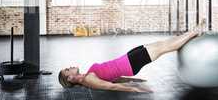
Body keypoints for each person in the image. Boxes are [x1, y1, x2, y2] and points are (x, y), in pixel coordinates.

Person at [58, 23, 205, 92]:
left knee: (163, 44)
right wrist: (136, 89)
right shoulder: (88, 80)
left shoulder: (87, 75)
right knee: (165, 47)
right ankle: (194, 32)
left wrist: (134, 80)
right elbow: (111, 86)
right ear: (70, 79)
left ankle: (193, 33)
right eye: (67, 70)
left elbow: (113, 78)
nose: (69, 67)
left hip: (128, 58)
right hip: (131, 63)